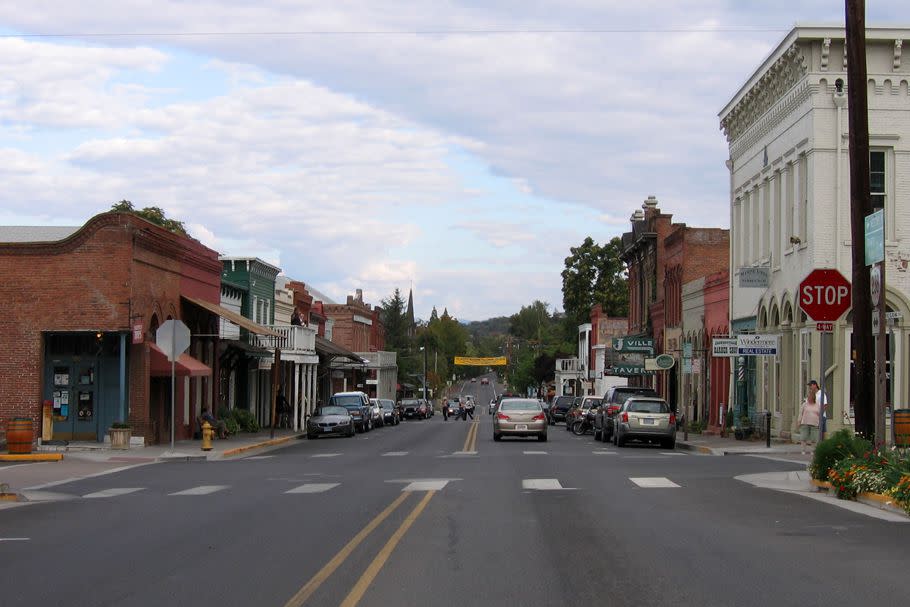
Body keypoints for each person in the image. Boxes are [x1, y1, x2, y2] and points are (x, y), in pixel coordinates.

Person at [797, 380, 823, 454]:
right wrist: (799, 421)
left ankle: (813, 450)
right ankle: (803, 450)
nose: (808, 398)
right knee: (803, 437)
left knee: (814, 438)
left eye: (810, 397)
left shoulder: (817, 405)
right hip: (805, 422)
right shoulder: (805, 404)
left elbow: (820, 414)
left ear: (813, 398)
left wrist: (819, 423)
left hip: (814, 423)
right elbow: (800, 413)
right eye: (808, 397)